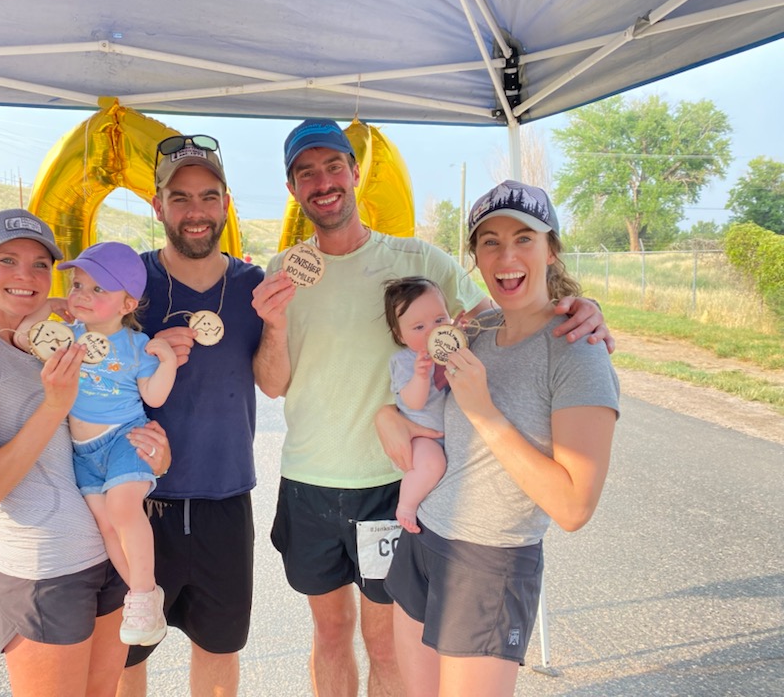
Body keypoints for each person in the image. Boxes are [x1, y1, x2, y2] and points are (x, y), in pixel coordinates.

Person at [251, 119, 612, 697]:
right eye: (306, 173)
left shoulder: (420, 259)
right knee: (329, 633)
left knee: (384, 643)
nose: (323, 182)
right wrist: (273, 327)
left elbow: (497, 309)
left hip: (391, 486)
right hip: (309, 482)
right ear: (292, 188)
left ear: (355, 172)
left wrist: (578, 306)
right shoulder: (281, 273)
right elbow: (271, 386)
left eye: (334, 166)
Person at [377, 181, 620, 697]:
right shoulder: (476, 329)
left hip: (488, 563)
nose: (506, 256)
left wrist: (484, 412)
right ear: (476, 257)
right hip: (423, 537)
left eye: (524, 238)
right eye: (490, 242)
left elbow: (574, 507)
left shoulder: (578, 351)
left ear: (551, 249)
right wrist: (387, 416)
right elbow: (419, 395)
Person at [0, 208, 170, 697]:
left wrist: (155, 456)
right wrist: (54, 404)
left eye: (40, 264)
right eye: (7, 260)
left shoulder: (53, 338)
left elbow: (101, 418)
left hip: (107, 560)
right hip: (46, 574)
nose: (26, 275)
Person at [117, 135, 265, 697]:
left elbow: (276, 380)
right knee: (126, 656)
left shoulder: (254, 287)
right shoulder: (128, 284)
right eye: (180, 198)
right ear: (158, 206)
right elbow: (84, 360)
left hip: (225, 498)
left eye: (208, 196)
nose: (195, 211)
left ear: (226, 203)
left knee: (219, 650)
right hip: (135, 502)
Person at [16, 241, 178, 647]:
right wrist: (50, 304)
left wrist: (169, 361)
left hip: (125, 439)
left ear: (128, 303)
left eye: (97, 289)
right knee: (106, 525)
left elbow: (154, 396)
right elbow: (21, 336)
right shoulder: (65, 336)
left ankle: (143, 596)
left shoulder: (136, 346)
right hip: (83, 453)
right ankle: (143, 596)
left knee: (123, 510)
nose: (82, 295)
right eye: (77, 285)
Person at [382, 276, 451, 534]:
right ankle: (406, 506)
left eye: (440, 320)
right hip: (420, 436)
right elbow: (414, 401)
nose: (432, 331)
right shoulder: (404, 361)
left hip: (449, 434)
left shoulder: (451, 351)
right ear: (400, 334)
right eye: (419, 327)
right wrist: (421, 376)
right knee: (433, 464)